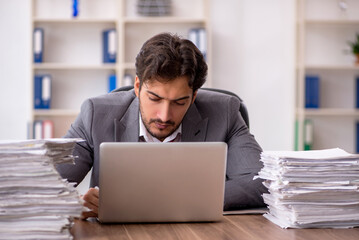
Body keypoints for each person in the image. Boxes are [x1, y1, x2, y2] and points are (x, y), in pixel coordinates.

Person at [56, 32, 266, 219]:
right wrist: (78, 202)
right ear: (138, 87)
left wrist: (156, 200)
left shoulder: (225, 112)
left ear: (193, 97)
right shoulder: (95, 114)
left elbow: (261, 182)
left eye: (179, 102)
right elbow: (46, 184)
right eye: (155, 98)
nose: (164, 116)